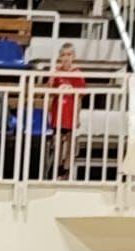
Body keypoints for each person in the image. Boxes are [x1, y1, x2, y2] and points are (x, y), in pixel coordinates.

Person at [46, 42, 85, 178]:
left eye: (69, 55)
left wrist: (77, 117)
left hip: (70, 112)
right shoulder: (56, 72)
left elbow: (79, 97)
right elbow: (50, 93)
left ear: (73, 56)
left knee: (70, 139)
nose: (66, 58)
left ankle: (67, 167)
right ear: (60, 57)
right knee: (57, 140)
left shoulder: (77, 74)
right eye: (63, 55)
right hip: (58, 112)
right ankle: (56, 166)